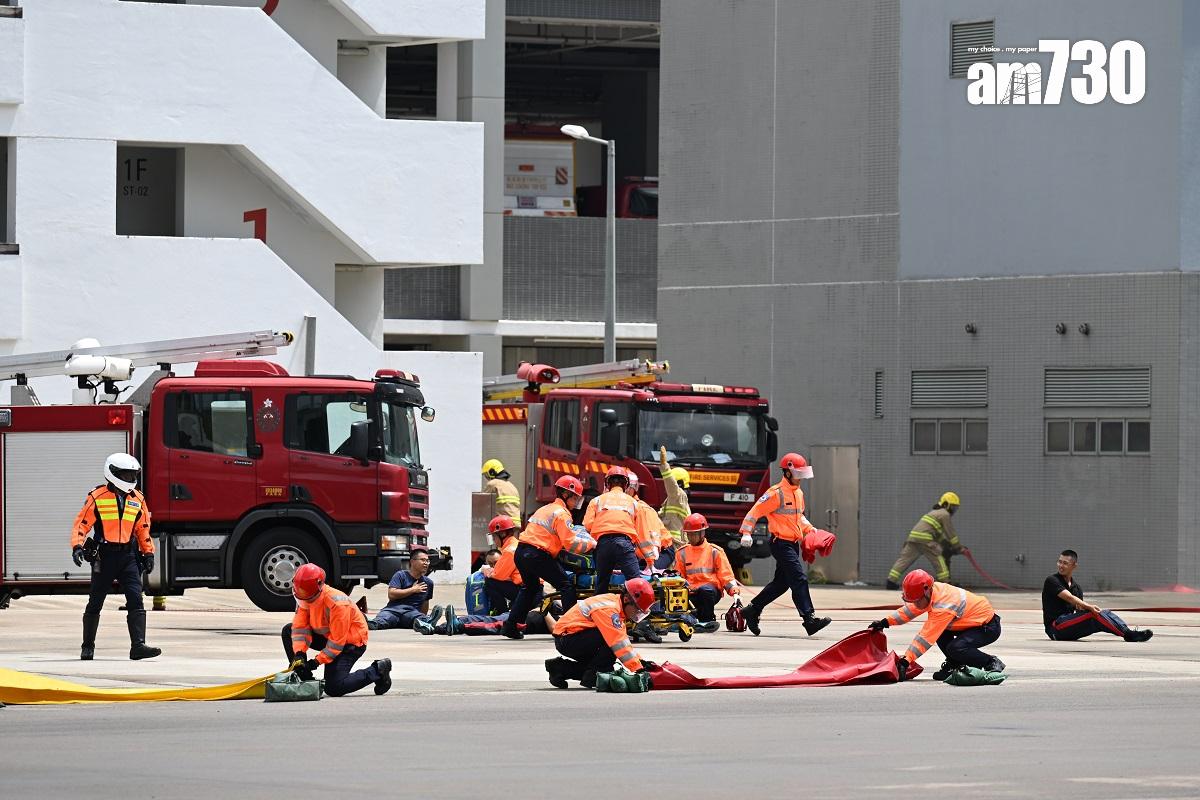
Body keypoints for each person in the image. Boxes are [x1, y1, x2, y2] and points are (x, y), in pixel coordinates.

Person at [70, 453, 161, 661]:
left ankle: (138, 646)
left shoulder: (138, 499)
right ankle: (87, 646)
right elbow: (82, 524)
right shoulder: (97, 497)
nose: (131, 479)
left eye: (133, 475)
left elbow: (143, 529)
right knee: (96, 601)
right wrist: (77, 546)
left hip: (128, 557)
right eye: (126, 475)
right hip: (104, 557)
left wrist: (148, 553)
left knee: (136, 599)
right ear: (112, 474)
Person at [737, 452, 831, 637]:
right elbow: (754, 512)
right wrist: (746, 533)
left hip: (792, 544)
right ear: (787, 472)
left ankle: (753, 609)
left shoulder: (798, 493)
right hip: (780, 543)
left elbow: (798, 517)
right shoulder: (776, 493)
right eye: (798, 474)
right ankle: (809, 619)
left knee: (781, 584)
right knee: (799, 578)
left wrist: (810, 529)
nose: (800, 478)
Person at [502, 475, 595, 639]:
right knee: (566, 585)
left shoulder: (545, 509)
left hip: (521, 553)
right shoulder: (562, 514)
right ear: (565, 494)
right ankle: (570, 627)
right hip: (537, 555)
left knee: (530, 588)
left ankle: (510, 626)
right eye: (575, 498)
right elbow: (571, 544)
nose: (577, 502)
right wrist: (592, 544)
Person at [868, 568, 1004, 679]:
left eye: (917, 600)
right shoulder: (931, 592)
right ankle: (955, 665)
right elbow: (910, 610)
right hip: (969, 623)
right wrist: (885, 622)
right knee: (943, 634)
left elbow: (926, 637)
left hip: (987, 627)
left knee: (956, 648)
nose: (915, 604)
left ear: (927, 590)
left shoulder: (943, 605)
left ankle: (990, 662)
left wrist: (906, 661)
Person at [282, 563, 392, 697]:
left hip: (350, 644)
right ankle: (302, 675)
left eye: (308, 599)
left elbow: (337, 642)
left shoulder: (337, 603)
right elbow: (300, 628)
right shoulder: (305, 595)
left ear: (319, 588)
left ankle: (377, 670)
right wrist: (299, 655)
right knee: (288, 630)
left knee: (333, 687)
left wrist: (315, 662)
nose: (304, 603)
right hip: (328, 637)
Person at [545, 577, 656, 689]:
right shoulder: (609, 609)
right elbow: (618, 642)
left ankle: (559, 669)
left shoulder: (617, 607)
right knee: (609, 648)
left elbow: (624, 643)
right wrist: (639, 669)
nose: (637, 614)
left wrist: (641, 662)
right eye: (637, 610)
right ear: (627, 599)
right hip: (568, 639)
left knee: (598, 665)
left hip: (570, 638)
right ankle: (595, 676)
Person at [1043, 550, 1153, 642]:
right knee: (1094, 614)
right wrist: (1089, 607)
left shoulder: (1076, 588)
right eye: (1059, 562)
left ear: (1074, 566)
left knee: (1104, 613)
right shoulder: (1052, 580)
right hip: (1055, 628)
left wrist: (1091, 610)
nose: (1061, 566)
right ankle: (1129, 635)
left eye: (1065, 563)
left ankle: (1128, 631)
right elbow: (1069, 597)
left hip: (1068, 627)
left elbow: (1080, 611)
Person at [585, 466, 657, 594]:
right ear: (626, 484)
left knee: (601, 584)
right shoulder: (634, 503)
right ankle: (633, 606)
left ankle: (598, 606)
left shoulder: (596, 501)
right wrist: (650, 561)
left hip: (603, 545)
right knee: (636, 584)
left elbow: (588, 525)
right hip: (624, 544)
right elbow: (643, 535)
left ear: (607, 484)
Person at [674, 513, 740, 632]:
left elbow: (726, 575)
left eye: (693, 534)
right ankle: (688, 619)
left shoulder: (715, 551)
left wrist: (734, 592)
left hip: (709, 592)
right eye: (688, 534)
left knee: (705, 591)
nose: (690, 537)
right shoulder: (681, 553)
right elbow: (678, 577)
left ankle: (706, 621)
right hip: (690, 593)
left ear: (702, 533)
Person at [887, 492, 965, 589]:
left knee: (904, 560)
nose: (954, 510)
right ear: (945, 504)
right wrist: (958, 547)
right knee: (938, 559)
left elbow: (938, 535)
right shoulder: (944, 514)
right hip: (926, 540)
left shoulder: (933, 513)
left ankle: (890, 582)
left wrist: (946, 544)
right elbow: (951, 534)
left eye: (955, 507)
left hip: (913, 538)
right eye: (953, 506)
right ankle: (946, 583)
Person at [367, 548, 435, 630]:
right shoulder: (400, 575)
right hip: (393, 610)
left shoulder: (428, 583)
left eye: (427, 561)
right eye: (423, 560)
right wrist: (413, 589)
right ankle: (371, 623)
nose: (426, 563)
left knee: (421, 619)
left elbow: (425, 603)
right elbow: (391, 595)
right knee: (383, 619)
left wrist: (423, 616)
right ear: (412, 561)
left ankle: (429, 624)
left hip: (411, 613)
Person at [482, 515, 523, 614]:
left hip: (524, 590)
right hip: (530, 588)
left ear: (503, 534)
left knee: (490, 582)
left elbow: (498, 575)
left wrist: (485, 570)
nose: (494, 540)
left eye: (494, 537)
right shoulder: (516, 544)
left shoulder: (510, 550)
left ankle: (502, 613)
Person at [657, 445, 691, 538]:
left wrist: (664, 466)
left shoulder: (678, 495)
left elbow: (671, 485)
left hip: (674, 542)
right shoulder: (675, 499)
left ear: (678, 483)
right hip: (673, 541)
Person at [466, 548, 502, 614]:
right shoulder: (477, 578)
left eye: (496, 563)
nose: (493, 566)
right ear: (486, 563)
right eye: (490, 563)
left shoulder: (472, 577)